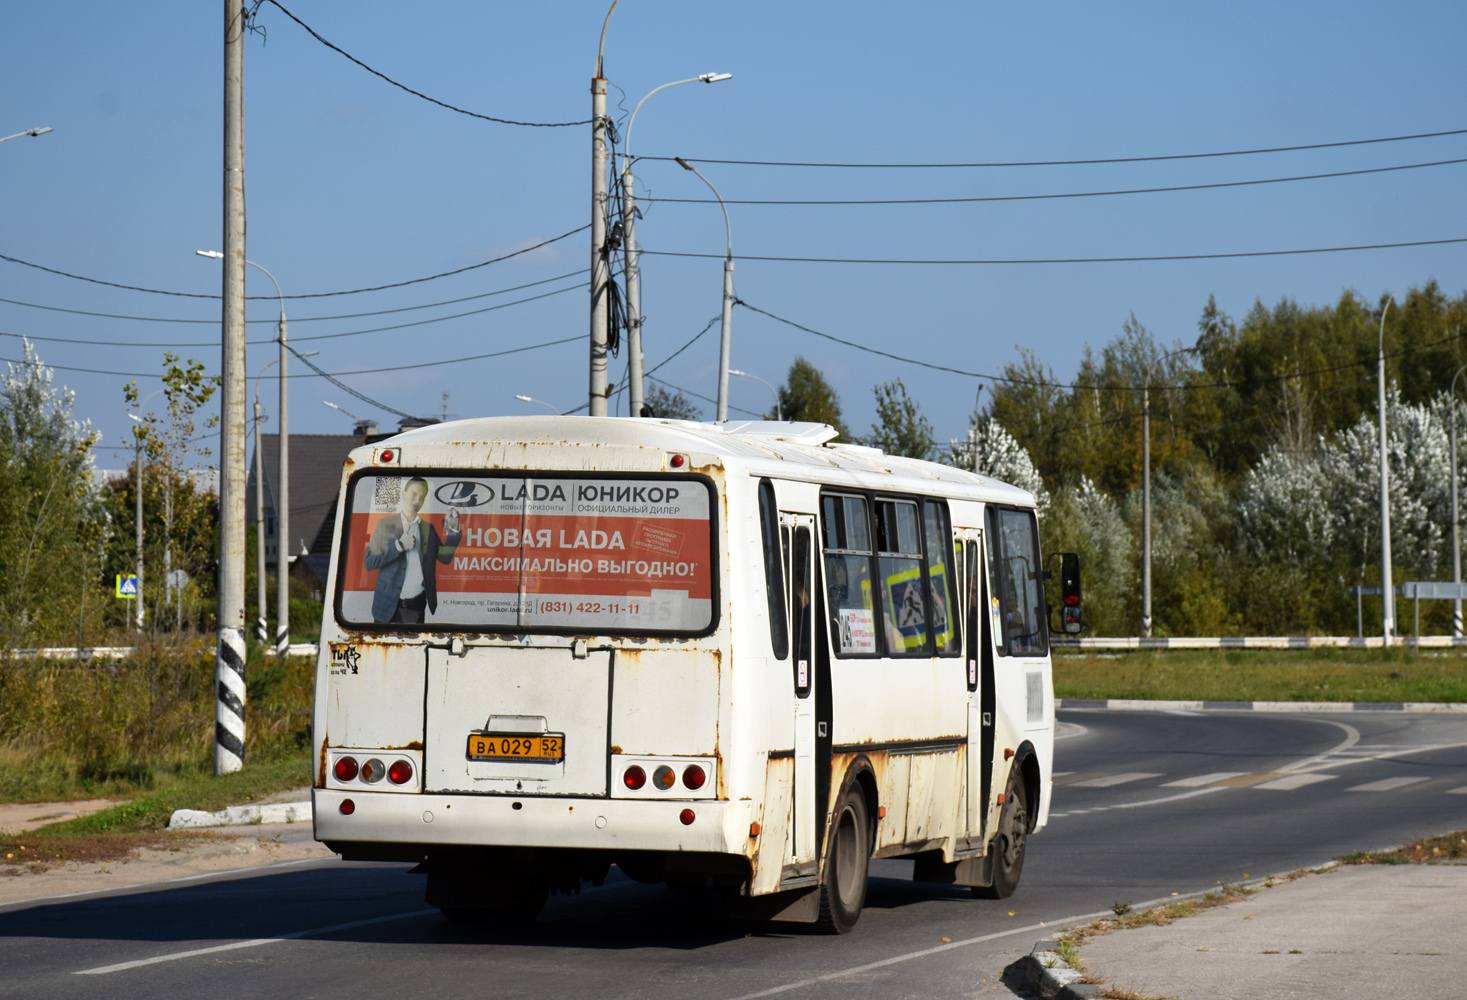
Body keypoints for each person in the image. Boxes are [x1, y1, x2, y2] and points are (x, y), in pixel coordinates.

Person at [364, 477, 461, 623]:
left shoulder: (428, 529)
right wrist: (398, 546)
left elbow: (445, 558)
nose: (417, 500)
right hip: (386, 607)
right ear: (403, 493)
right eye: (414, 494)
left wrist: (453, 529)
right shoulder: (385, 524)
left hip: (416, 608)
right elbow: (369, 562)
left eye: (421, 497)